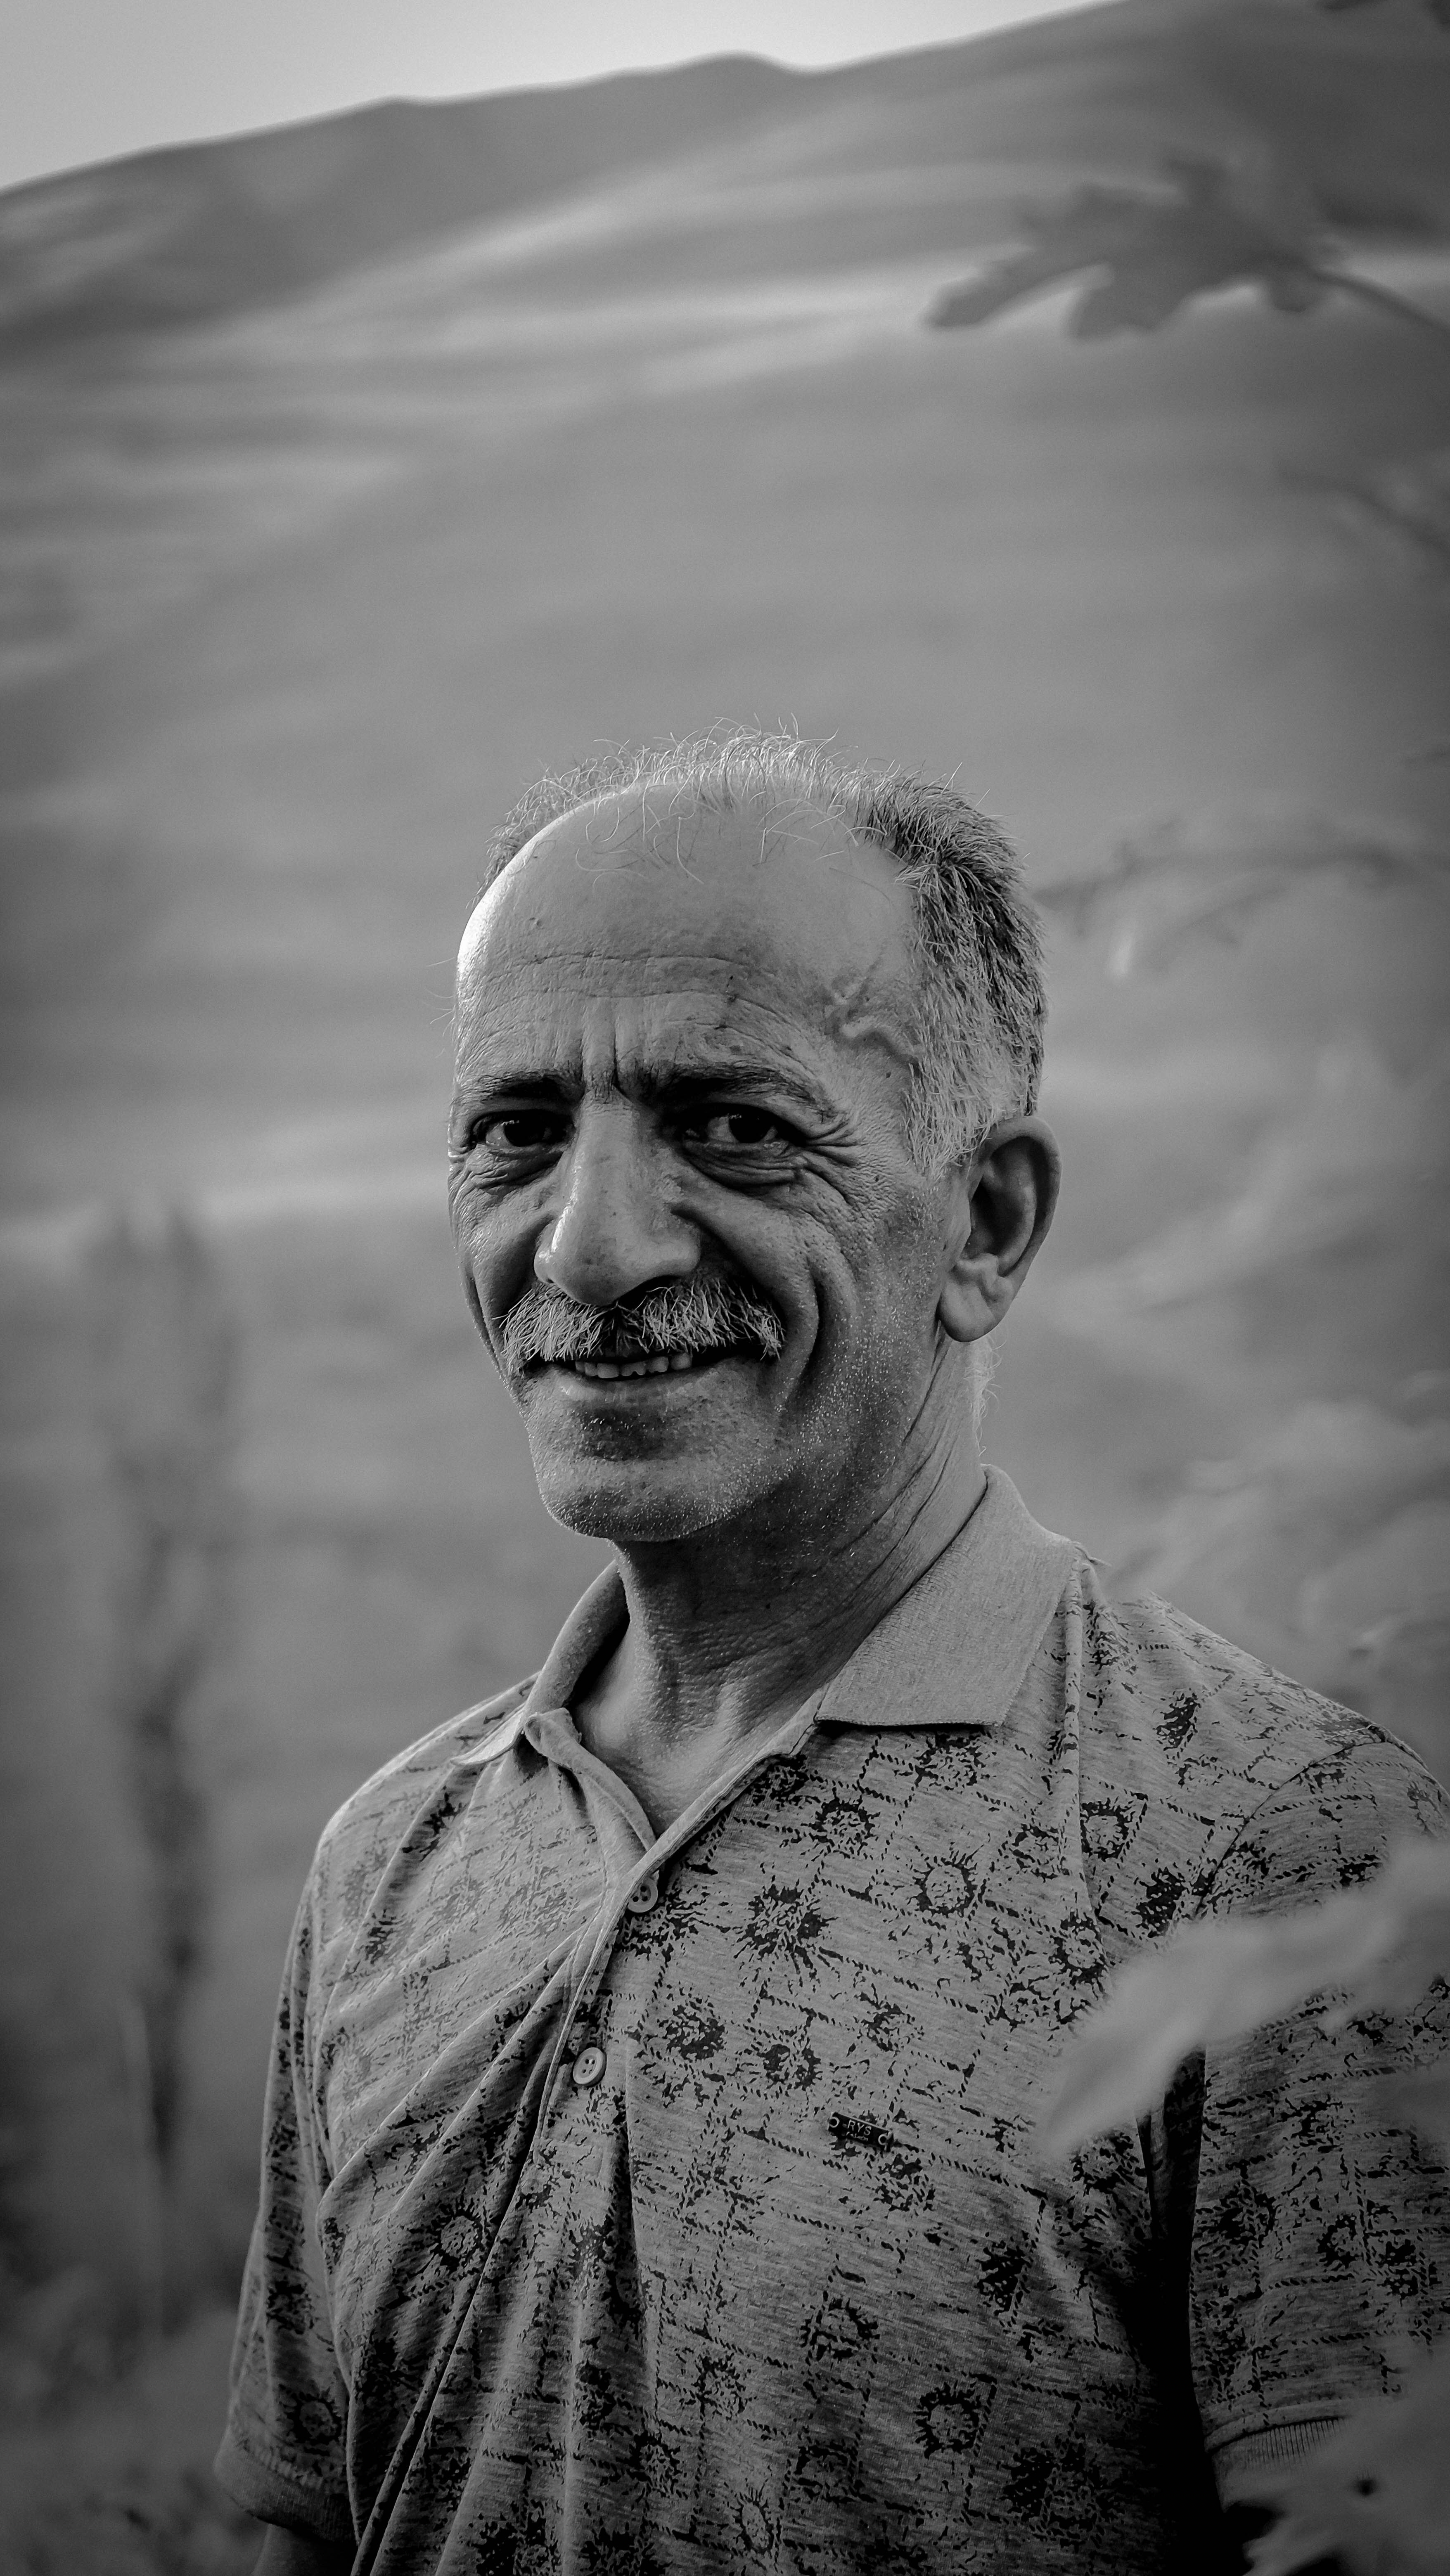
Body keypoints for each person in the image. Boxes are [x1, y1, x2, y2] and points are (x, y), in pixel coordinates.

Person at [217, 732, 1449, 2575]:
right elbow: (302, 2523)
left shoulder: (1281, 1866)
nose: (593, 1245)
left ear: (985, 1223)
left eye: (735, 1127)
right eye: (518, 1133)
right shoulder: (393, 1861)